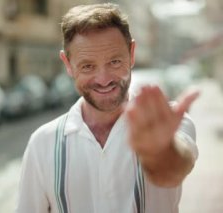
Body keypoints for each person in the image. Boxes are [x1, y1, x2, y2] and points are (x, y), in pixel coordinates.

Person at [16, 3, 199, 213]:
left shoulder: (168, 120)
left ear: (131, 54)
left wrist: (159, 151)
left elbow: (173, 171)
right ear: (67, 63)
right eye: (87, 66)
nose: (103, 79)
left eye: (114, 61)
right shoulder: (42, 143)